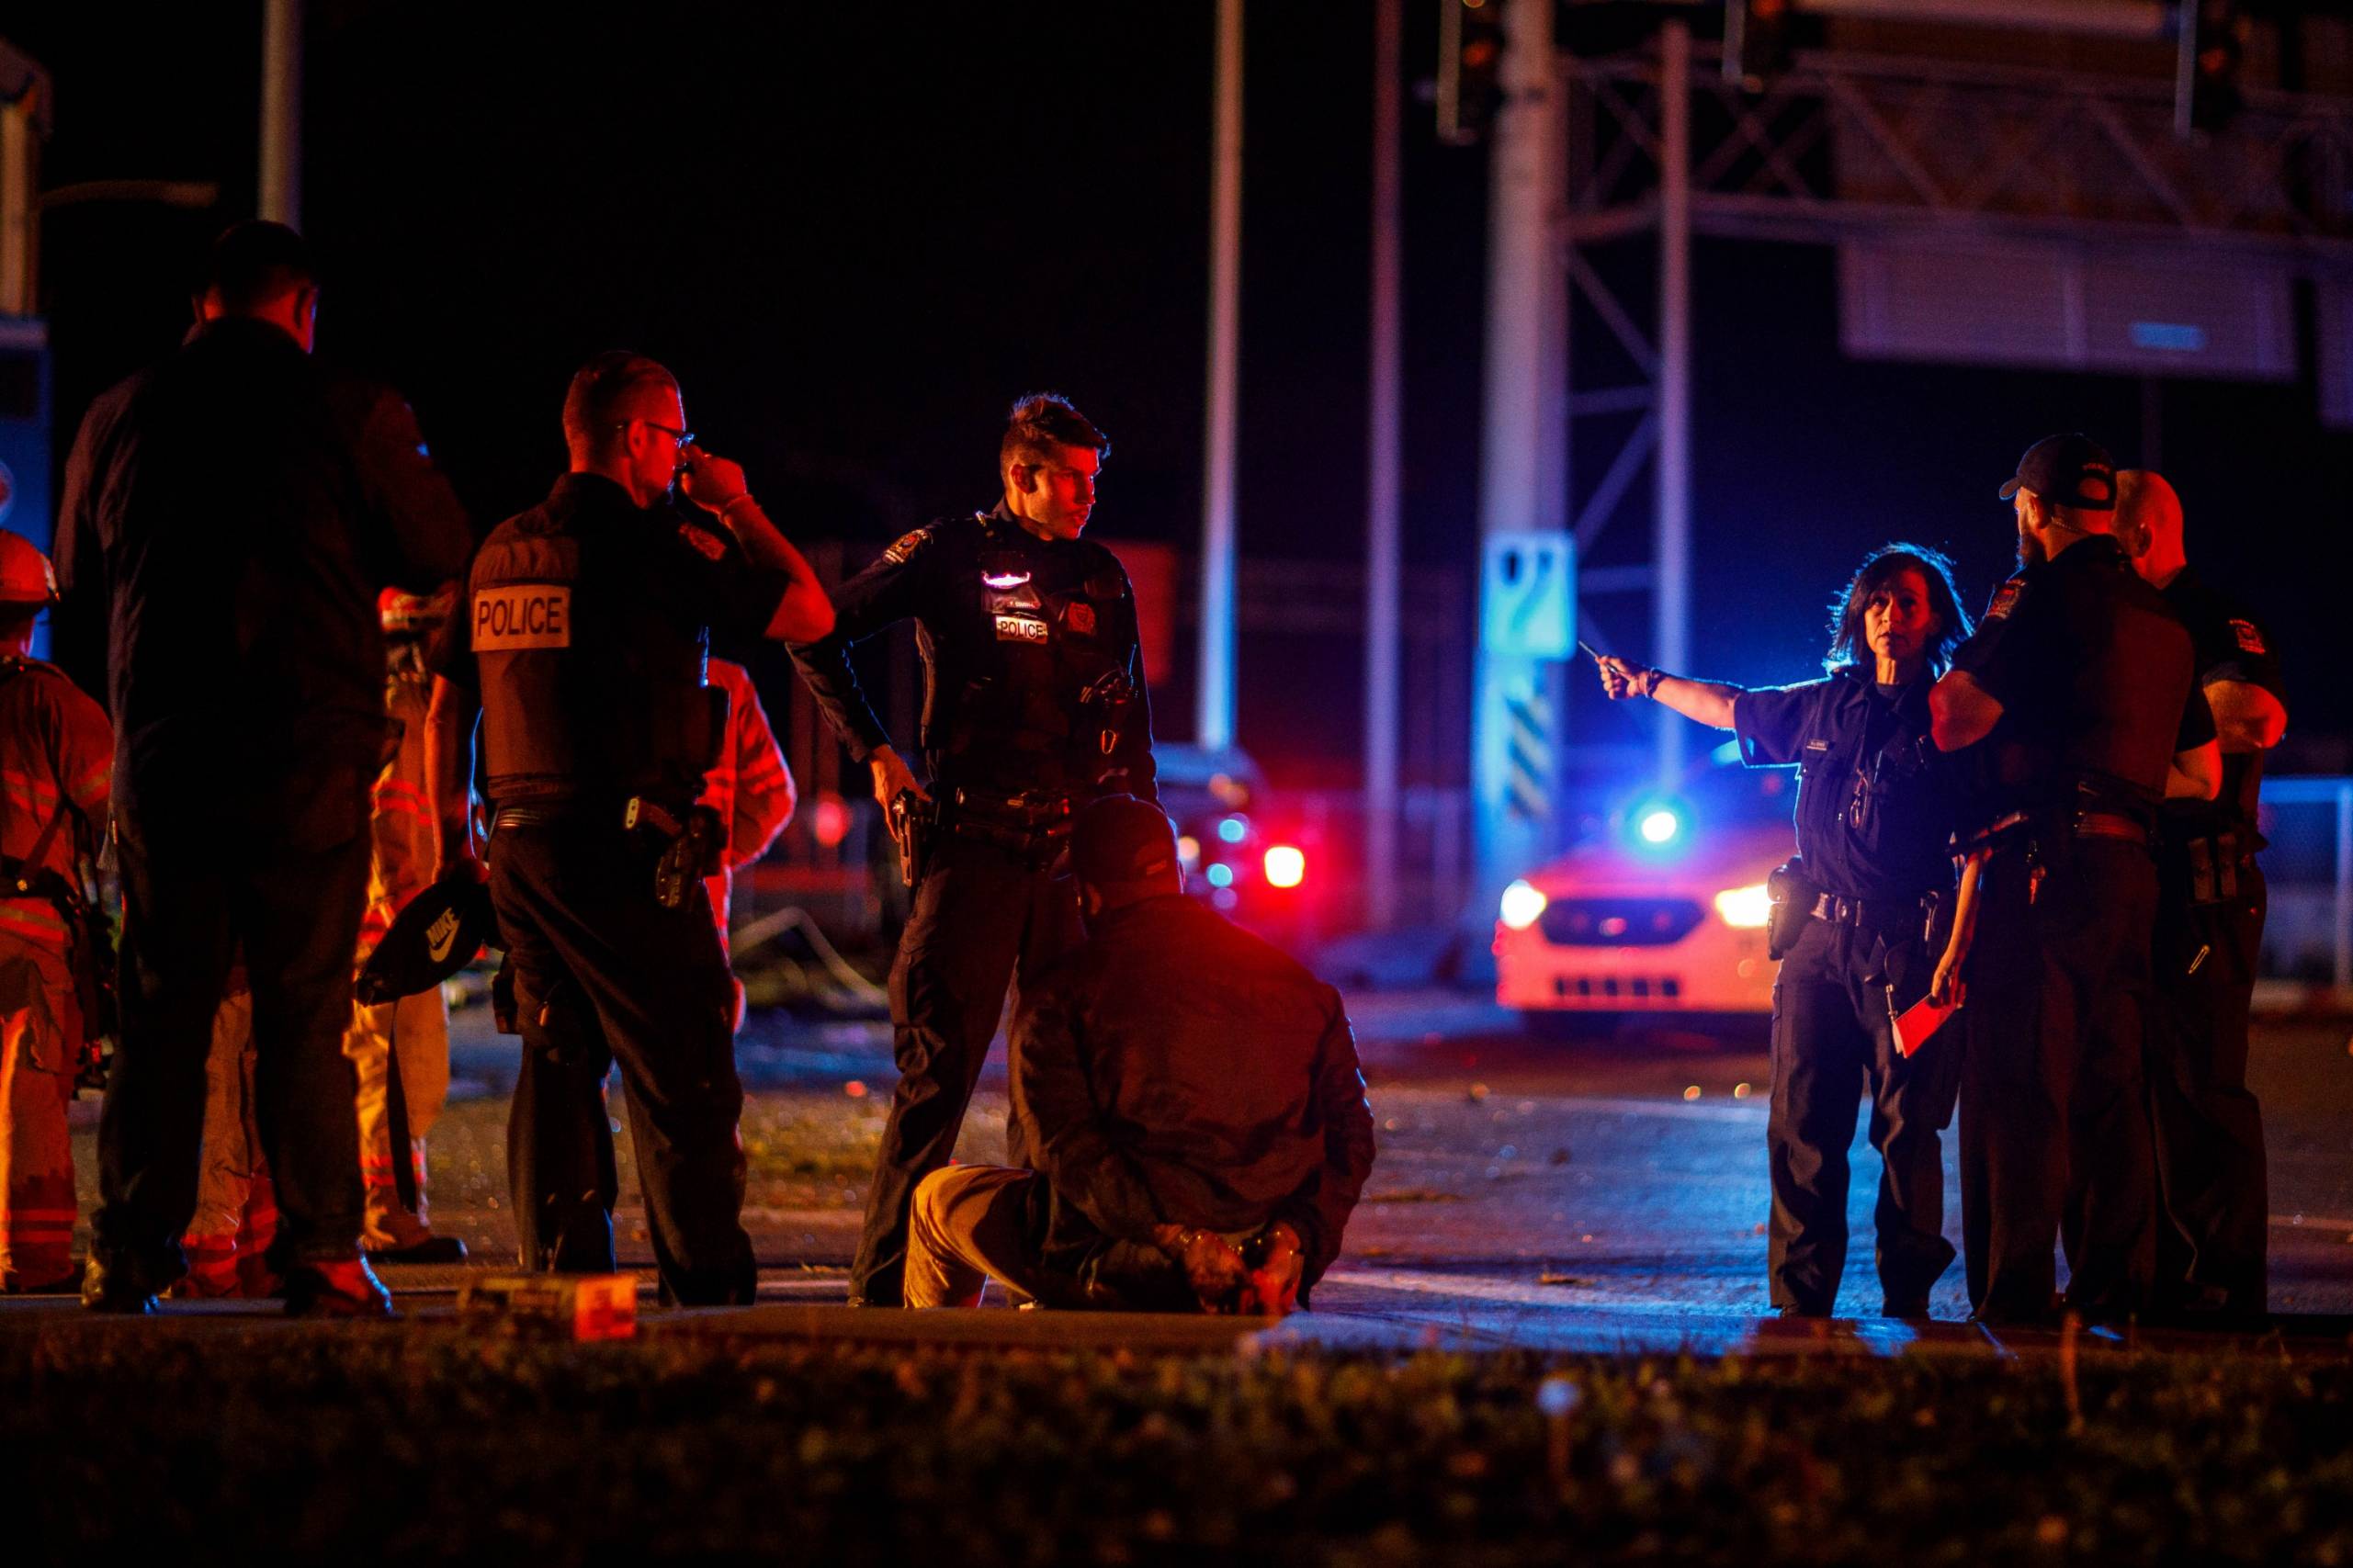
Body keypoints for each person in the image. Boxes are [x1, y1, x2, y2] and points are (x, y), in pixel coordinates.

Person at [55, 221, 473, 1315]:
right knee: (304, 1011)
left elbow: (73, 577)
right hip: (306, 763)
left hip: (169, 758)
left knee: (162, 1016)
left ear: (201, 304)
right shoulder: (353, 411)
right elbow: (439, 553)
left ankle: (129, 1252)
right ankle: (325, 1253)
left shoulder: (120, 414)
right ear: (304, 308)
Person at [425, 350, 832, 1307]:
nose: (685, 455)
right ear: (634, 437)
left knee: (557, 1055)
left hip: (516, 848)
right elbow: (807, 610)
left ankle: (564, 1279)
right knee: (683, 1064)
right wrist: (733, 505)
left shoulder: (502, 551)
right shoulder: (657, 547)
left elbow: (450, 707)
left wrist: (458, 845)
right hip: (623, 848)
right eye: (677, 437)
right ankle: (707, 1285)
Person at [789, 392, 1157, 1308]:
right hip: (972, 852)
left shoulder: (1103, 578)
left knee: (1060, 1090)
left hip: (1072, 867)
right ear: (1020, 475)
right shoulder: (949, 553)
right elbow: (813, 637)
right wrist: (873, 752)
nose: (1085, 496)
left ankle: (1053, 1279)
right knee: (938, 1081)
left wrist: (1148, 870)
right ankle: (880, 1295)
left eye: (1093, 480)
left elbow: (1134, 728)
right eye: (1069, 479)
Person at [1596, 546, 1973, 1317]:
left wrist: (1956, 955)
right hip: (1814, 948)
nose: (1888, 615)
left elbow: (1978, 849)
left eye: (1907, 602)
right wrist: (1648, 681)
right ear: (1857, 615)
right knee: (1802, 1128)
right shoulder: (1823, 707)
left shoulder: (1952, 717)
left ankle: (1908, 1305)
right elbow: (1729, 704)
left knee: (1906, 1134)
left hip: (1909, 953)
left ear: (1932, 618)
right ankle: (1799, 1311)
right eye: (1876, 600)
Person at [1929, 433, 2220, 1325]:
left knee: (2024, 1084)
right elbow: (2201, 775)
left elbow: (1950, 719)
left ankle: (2014, 1296)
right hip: (2129, 869)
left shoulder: (2036, 596)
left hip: (2042, 868)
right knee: (2110, 1087)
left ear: (2031, 510)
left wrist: (1985, 647)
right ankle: (2111, 1288)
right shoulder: (2162, 617)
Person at [903, 795, 1374, 1314]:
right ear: (1175, 873)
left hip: (1130, 1260)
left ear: (1089, 898)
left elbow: (1066, 1152)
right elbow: (1352, 1134)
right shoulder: (1301, 986)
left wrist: (1182, 1243)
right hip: (1267, 1249)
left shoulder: (1061, 995)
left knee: (936, 1198)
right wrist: (1294, 1237)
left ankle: (946, 1370)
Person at [2119, 469, 2286, 1327]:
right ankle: (2157, 1284)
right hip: (2139, 883)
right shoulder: (2127, 622)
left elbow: (2251, 713)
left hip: (2204, 883)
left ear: (2139, 534)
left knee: (2199, 1086)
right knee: (2138, 1089)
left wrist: (2129, 734)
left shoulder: (2211, 614)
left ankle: (2224, 1291)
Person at [0, 530, 110, 1293]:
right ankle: (34, 1257)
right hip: (29, 933)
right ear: (34, 613)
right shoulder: (52, 698)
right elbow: (117, 812)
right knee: (30, 1093)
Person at [345, 588, 466, 1264]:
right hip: (392, 934)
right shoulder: (410, 711)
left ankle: (397, 1211)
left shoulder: (383, 706)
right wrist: (418, 922)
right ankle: (388, 1220)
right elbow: (394, 829)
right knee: (389, 1082)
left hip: (382, 930)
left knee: (400, 1081)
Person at [697, 656, 798, 1031]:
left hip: (601, 913)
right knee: (693, 1074)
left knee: (577, 1069)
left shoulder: (597, 663)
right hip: (698, 918)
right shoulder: (725, 681)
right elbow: (774, 797)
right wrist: (715, 856)